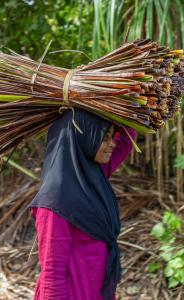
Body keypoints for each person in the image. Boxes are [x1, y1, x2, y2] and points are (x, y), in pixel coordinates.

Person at [28, 108, 137, 300]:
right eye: (104, 137)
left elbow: (127, 138)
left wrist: (117, 103)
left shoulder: (92, 178)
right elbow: (52, 274)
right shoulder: (54, 201)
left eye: (111, 136)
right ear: (83, 136)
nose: (112, 143)